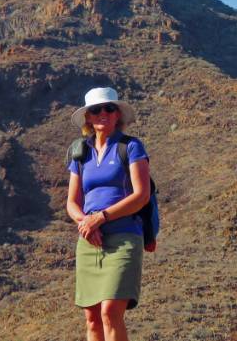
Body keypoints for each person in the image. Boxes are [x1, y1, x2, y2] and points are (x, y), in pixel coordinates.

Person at [66, 87, 151, 341]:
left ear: (117, 114)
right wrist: (86, 224)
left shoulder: (131, 147)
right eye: (96, 110)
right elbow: (71, 202)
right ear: (88, 117)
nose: (103, 113)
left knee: (110, 311)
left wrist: (100, 217)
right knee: (92, 318)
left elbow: (141, 195)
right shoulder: (80, 152)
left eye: (109, 108)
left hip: (124, 236)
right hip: (89, 239)